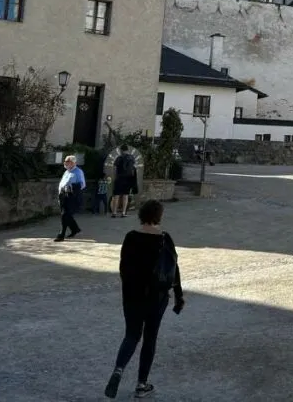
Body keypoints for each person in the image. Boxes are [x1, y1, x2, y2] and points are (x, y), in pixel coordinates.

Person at [104, 200, 185, 399]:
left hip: (132, 296)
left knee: (131, 335)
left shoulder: (130, 238)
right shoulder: (165, 239)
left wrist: (129, 290)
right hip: (156, 298)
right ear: (159, 216)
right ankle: (141, 384)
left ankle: (118, 370)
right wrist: (179, 296)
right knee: (150, 338)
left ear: (141, 215)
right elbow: (173, 269)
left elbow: (123, 268)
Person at [56, 155, 85, 241]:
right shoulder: (66, 172)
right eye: (65, 161)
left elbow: (82, 184)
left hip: (72, 197)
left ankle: (61, 234)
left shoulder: (78, 172)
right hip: (63, 195)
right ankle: (75, 229)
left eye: (67, 161)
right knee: (66, 215)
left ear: (73, 163)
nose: (65, 163)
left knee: (65, 215)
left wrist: (71, 187)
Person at [112, 144, 139, 218]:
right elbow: (134, 169)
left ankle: (114, 212)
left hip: (119, 179)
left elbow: (114, 169)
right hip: (128, 179)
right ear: (127, 150)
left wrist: (115, 178)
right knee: (125, 196)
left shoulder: (118, 158)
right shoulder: (131, 158)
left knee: (116, 196)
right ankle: (123, 213)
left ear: (121, 150)